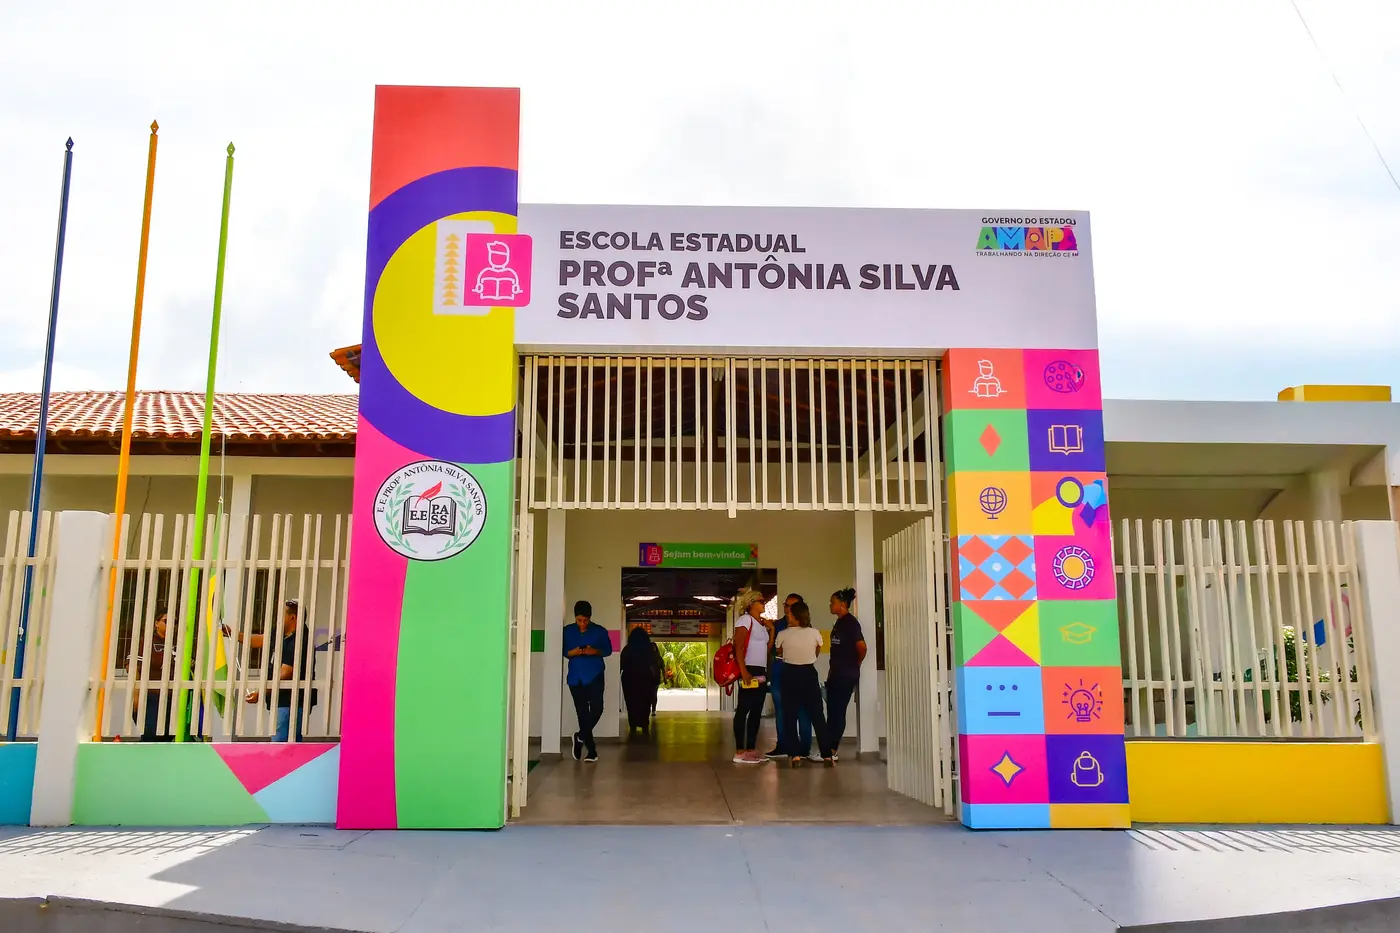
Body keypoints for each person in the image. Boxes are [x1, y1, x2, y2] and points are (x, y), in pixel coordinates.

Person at [230, 599, 315, 742]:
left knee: (281, 744)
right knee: (288, 743)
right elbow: (259, 639)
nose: (278, 618)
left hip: (290, 702)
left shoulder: (300, 639)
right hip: (280, 700)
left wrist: (261, 692)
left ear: (292, 617)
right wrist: (232, 633)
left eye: (281, 614)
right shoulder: (281, 633)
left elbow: (286, 672)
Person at [774, 600, 833, 766]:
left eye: (789, 614)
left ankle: (795, 756)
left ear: (795, 616)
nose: (788, 616)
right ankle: (827, 755)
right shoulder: (814, 633)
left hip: (789, 673)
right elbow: (817, 650)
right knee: (817, 716)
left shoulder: (783, 634)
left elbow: (779, 651)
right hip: (809, 673)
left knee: (790, 715)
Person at [764, 593, 814, 760]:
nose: (788, 609)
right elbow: (772, 649)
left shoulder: (807, 628)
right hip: (780, 670)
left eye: (792, 606)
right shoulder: (777, 625)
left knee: (803, 709)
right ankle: (783, 745)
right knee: (781, 709)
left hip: (800, 671)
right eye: (786, 605)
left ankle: (804, 747)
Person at [563, 599, 612, 762]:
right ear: (575, 617)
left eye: (585, 620)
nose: (582, 624)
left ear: (590, 618)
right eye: (579, 620)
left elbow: (608, 650)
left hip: (595, 675)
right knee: (582, 714)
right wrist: (573, 652)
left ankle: (580, 736)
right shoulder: (567, 631)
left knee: (597, 709)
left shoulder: (600, 631)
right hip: (575, 677)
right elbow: (563, 651)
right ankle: (591, 751)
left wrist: (594, 651)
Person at [825, 587, 867, 760]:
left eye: (833, 602)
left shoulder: (851, 623)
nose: (830, 605)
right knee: (832, 711)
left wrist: (856, 663)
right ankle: (827, 749)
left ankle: (832, 750)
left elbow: (862, 647)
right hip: (836, 673)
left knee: (837, 711)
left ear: (842, 604)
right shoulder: (839, 622)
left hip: (845, 675)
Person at [731, 591, 772, 764]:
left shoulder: (761, 625)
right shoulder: (745, 620)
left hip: (760, 669)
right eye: (761, 601)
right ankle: (740, 751)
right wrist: (743, 671)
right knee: (744, 709)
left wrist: (772, 630)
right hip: (749, 668)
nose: (764, 603)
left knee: (756, 710)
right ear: (751, 603)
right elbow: (738, 646)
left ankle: (751, 749)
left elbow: (766, 648)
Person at [131, 609, 174, 741]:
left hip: (172, 698)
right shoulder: (148, 642)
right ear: (156, 623)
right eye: (166, 621)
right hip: (152, 696)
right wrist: (136, 694)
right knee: (151, 735)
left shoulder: (178, 644)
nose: (171, 625)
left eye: (174, 622)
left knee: (168, 737)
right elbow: (134, 667)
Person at [620, 625, 661, 735]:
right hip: (645, 677)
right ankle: (644, 723)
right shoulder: (648, 649)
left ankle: (632, 724)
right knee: (645, 701)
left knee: (631, 701)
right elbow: (653, 664)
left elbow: (621, 664)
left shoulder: (627, 649)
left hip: (629, 677)